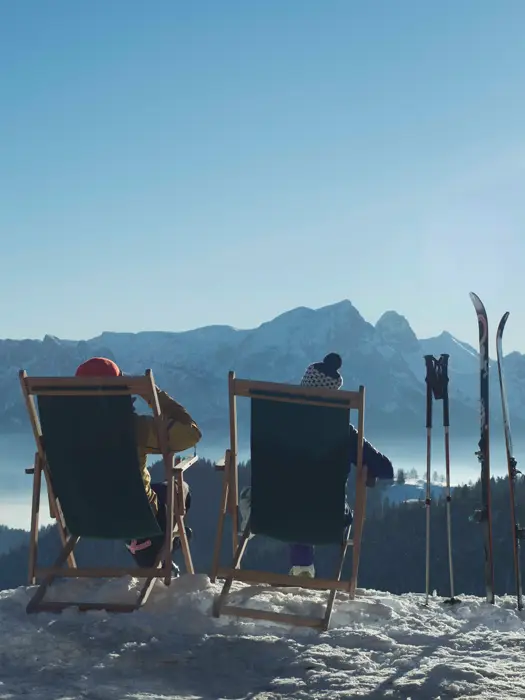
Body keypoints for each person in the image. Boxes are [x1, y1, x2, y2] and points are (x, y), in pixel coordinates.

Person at [239, 352, 394, 579]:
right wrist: (368, 471)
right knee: (312, 496)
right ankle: (303, 567)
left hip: (270, 509)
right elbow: (385, 469)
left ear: (303, 385)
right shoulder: (343, 432)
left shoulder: (276, 423)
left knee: (288, 489)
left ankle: (253, 511)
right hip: (327, 518)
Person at [75, 356, 202, 576]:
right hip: (136, 514)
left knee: (142, 497)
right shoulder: (135, 429)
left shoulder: (64, 432)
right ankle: (154, 551)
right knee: (181, 492)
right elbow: (190, 433)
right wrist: (151, 392)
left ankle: (149, 551)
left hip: (83, 512)